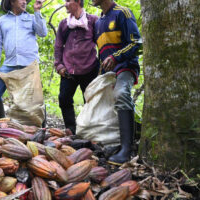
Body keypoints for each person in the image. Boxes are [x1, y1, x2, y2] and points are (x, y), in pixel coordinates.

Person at [93, 0, 142, 164]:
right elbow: (102, 53)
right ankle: (115, 144)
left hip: (126, 67)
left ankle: (127, 150)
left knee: (121, 93)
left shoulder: (123, 13)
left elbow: (136, 42)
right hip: (108, 73)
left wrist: (116, 57)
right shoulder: (99, 22)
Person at [0, 0, 48, 118]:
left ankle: (41, 128)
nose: (24, 2)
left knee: (35, 99)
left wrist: (37, 11)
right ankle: (1, 124)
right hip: (9, 65)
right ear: (11, 2)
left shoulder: (32, 18)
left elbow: (42, 33)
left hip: (29, 65)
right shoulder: (1, 21)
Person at [54, 0, 99, 135]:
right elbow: (58, 47)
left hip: (89, 69)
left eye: (68, 1)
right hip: (68, 71)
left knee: (90, 102)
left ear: (78, 1)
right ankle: (71, 129)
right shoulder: (64, 24)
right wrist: (59, 65)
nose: (65, 4)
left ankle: (90, 131)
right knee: (64, 99)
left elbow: (101, 43)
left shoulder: (93, 21)